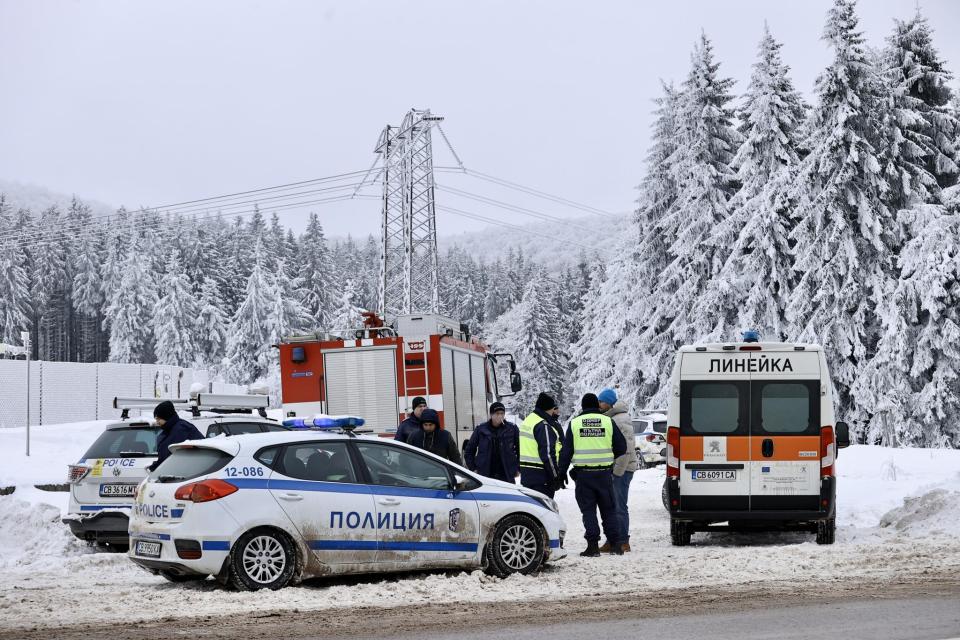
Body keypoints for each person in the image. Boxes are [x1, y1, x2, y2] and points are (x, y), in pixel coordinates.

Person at [559, 392, 627, 557]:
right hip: (604, 475)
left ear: (582, 407)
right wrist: (608, 458)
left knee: (588, 511)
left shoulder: (575, 423)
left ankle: (593, 546)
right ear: (597, 405)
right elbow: (622, 447)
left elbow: (566, 452)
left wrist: (561, 473)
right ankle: (615, 545)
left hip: (584, 476)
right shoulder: (608, 421)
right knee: (609, 510)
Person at [598, 387, 637, 553]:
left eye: (601, 402)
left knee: (619, 506)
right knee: (612, 506)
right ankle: (613, 539)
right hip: (617, 468)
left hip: (622, 469)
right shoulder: (613, 418)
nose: (599, 404)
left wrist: (617, 472)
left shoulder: (620, 420)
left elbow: (626, 449)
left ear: (608, 403)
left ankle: (623, 541)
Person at [518, 392, 565, 498]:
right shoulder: (543, 425)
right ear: (548, 409)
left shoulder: (527, 421)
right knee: (543, 507)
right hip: (542, 477)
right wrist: (555, 476)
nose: (553, 412)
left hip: (527, 475)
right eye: (553, 409)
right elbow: (547, 454)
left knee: (531, 506)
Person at [464, 402, 520, 483]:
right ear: (491, 414)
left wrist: (518, 468)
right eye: (497, 413)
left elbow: (521, 450)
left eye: (502, 413)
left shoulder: (512, 429)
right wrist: (473, 468)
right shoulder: (481, 429)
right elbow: (469, 451)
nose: (500, 416)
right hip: (485, 475)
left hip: (506, 474)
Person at [148, 400, 203, 472]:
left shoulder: (182, 429)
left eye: (158, 419)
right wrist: (158, 465)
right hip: (174, 471)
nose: (157, 422)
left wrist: (159, 466)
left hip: (188, 472)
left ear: (166, 416)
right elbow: (165, 455)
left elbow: (175, 455)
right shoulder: (167, 431)